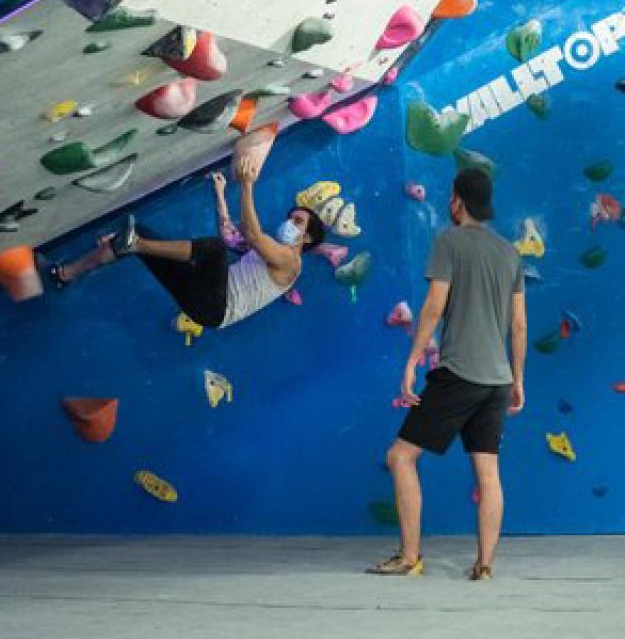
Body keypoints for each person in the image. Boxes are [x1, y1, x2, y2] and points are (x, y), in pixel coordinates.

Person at [369, 168, 526, 580]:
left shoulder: (449, 242)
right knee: (488, 472)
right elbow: (519, 326)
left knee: (400, 457)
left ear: (458, 200)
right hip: (497, 379)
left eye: (451, 196)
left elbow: (434, 307)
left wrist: (411, 361)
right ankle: (485, 565)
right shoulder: (510, 253)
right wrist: (518, 380)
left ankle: (409, 557)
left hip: (459, 373)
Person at [46, 152, 325, 330]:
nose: (289, 223)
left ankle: (134, 244)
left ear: (308, 237)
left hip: (215, 308)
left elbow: (252, 234)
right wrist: (220, 192)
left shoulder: (291, 263)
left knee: (211, 251)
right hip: (203, 295)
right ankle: (66, 274)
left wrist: (247, 183)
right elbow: (232, 235)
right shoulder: (271, 254)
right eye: (291, 217)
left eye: (297, 222)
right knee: (141, 232)